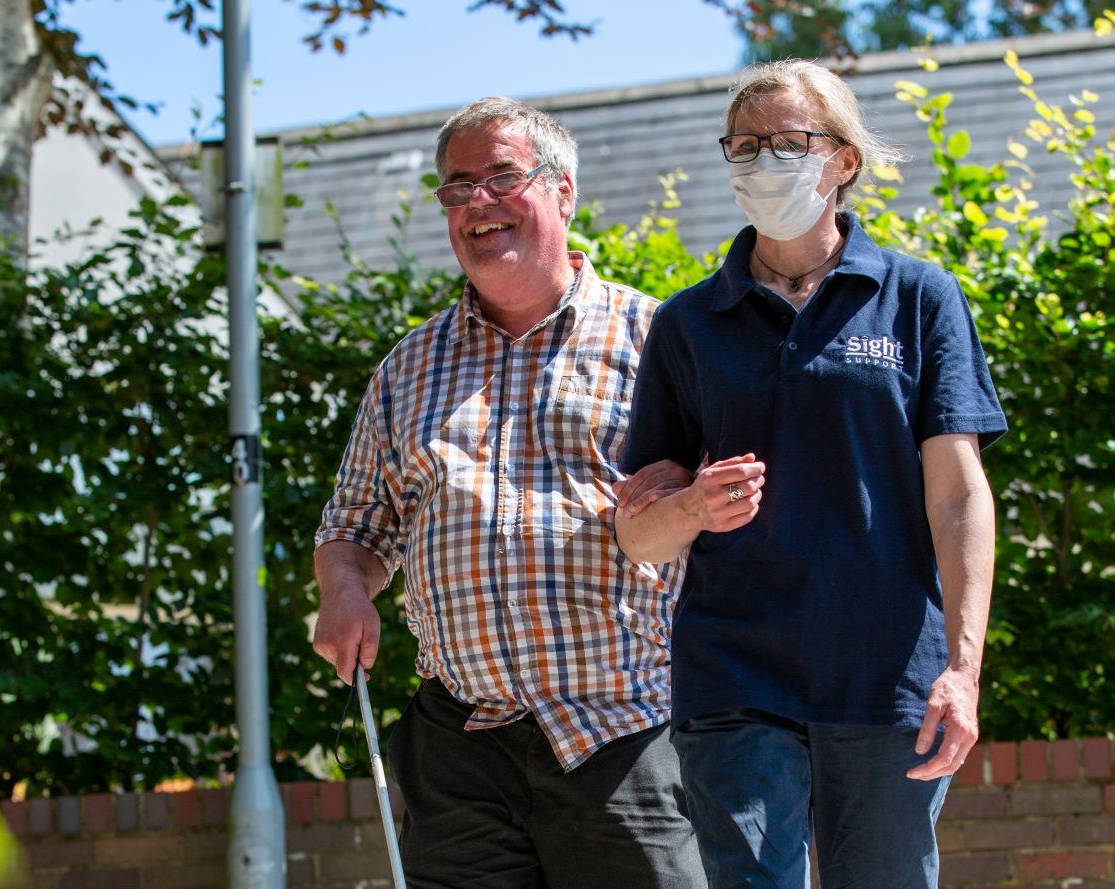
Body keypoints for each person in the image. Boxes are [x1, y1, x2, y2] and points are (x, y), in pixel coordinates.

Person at [312, 96, 730, 889]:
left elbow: (731, 524)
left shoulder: (660, 340)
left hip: (624, 730)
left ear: (564, 191)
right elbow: (356, 530)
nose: (476, 201)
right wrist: (344, 590)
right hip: (460, 745)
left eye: (501, 177)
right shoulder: (408, 368)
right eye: (456, 186)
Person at [614, 60, 1007, 889]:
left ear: (845, 160)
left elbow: (959, 494)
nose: (763, 163)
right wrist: (690, 506)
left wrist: (962, 669)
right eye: (745, 146)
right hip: (735, 675)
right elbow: (639, 533)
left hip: (886, 670)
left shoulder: (917, 297)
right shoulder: (688, 322)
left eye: (789, 143)